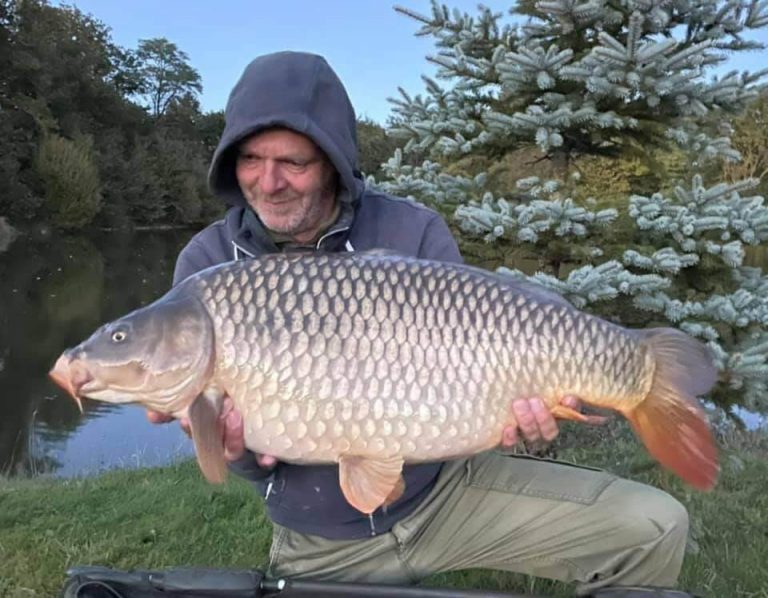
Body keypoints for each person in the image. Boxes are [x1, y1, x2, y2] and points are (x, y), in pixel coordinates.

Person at [148, 51, 690, 596]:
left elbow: (472, 377)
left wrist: (521, 418)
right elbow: (247, 463)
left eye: (293, 162)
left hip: (447, 495)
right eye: (249, 160)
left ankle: (636, 371)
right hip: (319, 535)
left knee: (652, 526)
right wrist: (233, 449)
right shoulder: (209, 268)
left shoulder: (412, 229)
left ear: (333, 161)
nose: (268, 183)